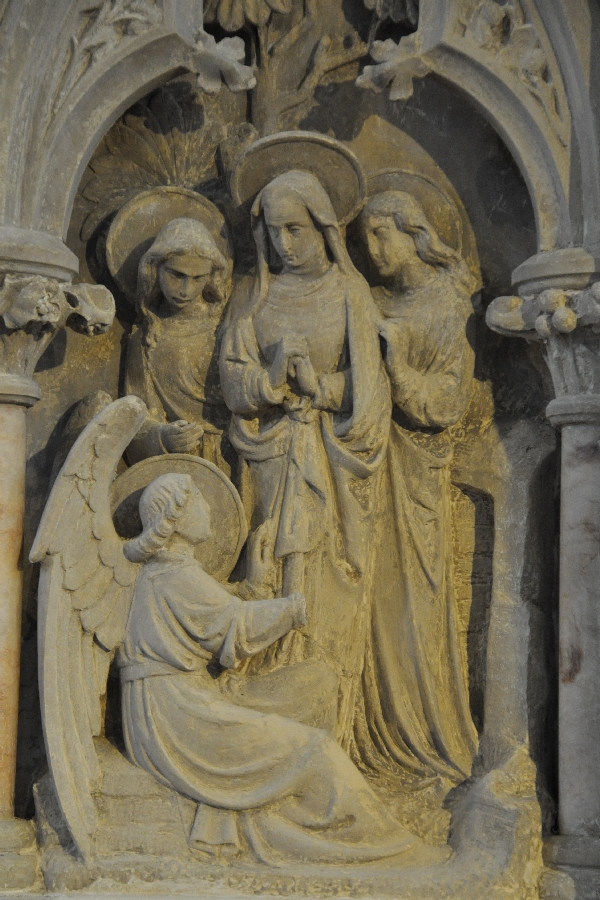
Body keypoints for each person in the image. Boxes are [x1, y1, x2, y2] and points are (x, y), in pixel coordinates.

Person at [118, 473, 446, 867]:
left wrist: (255, 587)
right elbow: (235, 627)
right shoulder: (175, 575)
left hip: (179, 700)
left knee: (313, 686)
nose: (208, 508)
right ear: (176, 517)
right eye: (199, 500)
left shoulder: (167, 571)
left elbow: (217, 608)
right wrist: (293, 609)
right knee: (316, 749)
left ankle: (297, 813)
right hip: (179, 715)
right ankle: (383, 848)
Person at [219, 169, 391, 746]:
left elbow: (372, 392)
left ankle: (321, 727)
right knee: (262, 565)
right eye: (274, 231)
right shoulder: (252, 294)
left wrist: (321, 387)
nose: (284, 244)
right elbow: (232, 380)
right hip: (263, 460)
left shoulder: (349, 294)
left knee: (322, 580)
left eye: (295, 229)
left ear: (323, 227)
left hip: (330, 461)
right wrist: (270, 379)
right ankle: (261, 715)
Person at [355, 190, 479, 785]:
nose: (373, 248)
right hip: (362, 468)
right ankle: (367, 733)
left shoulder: (448, 302)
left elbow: (448, 402)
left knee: (413, 602)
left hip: (416, 476)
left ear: (415, 232)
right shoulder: (372, 300)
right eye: (365, 238)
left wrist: (398, 365)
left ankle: (427, 733)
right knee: (367, 599)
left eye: (383, 234)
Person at [124, 217, 235, 475]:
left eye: (198, 278)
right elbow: (135, 419)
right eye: (176, 275)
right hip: (177, 465)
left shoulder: (226, 328)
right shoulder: (146, 338)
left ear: (211, 277)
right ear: (154, 269)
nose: (186, 289)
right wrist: (162, 437)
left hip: (231, 458)